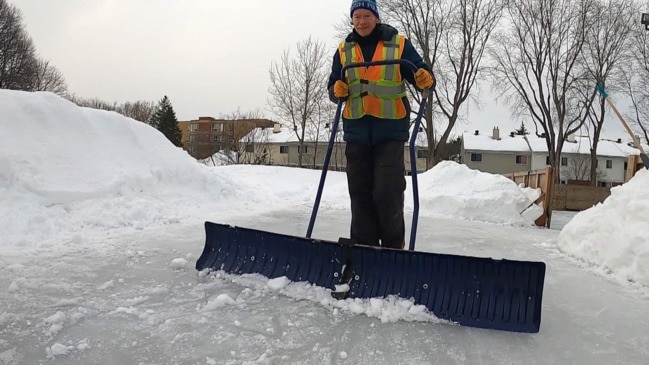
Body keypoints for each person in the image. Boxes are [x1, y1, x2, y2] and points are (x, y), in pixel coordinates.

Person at [327, 0, 434, 249]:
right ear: (352, 19)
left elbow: (420, 73)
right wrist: (336, 89)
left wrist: (425, 77)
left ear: (376, 17)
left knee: (388, 191)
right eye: (357, 17)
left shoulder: (398, 44)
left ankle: (393, 248)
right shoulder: (344, 50)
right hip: (356, 131)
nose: (362, 21)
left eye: (366, 15)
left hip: (390, 131)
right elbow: (333, 85)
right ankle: (363, 248)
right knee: (360, 192)